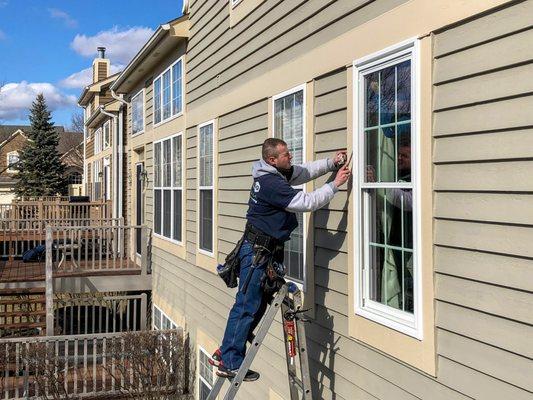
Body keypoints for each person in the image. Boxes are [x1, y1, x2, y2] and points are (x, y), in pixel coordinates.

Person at [211, 137, 350, 381]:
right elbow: (306, 202)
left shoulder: (275, 174)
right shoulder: (271, 184)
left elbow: (304, 171)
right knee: (246, 306)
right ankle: (230, 362)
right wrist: (335, 184)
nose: (290, 157)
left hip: (263, 252)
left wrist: (331, 163)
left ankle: (228, 349)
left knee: (256, 304)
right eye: (286, 154)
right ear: (272, 159)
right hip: (256, 253)